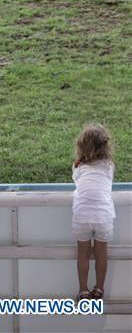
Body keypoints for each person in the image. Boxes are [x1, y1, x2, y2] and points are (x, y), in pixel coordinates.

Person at [72, 123, 115, 302]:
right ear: (106, 146)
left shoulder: (79, 167)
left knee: (82, 254)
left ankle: (83, 289)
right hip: (103, 215)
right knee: (101, 254)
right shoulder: (108, 166)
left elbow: (76, 180)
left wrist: (78, 164)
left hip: (82, 214)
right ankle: (99, 289)